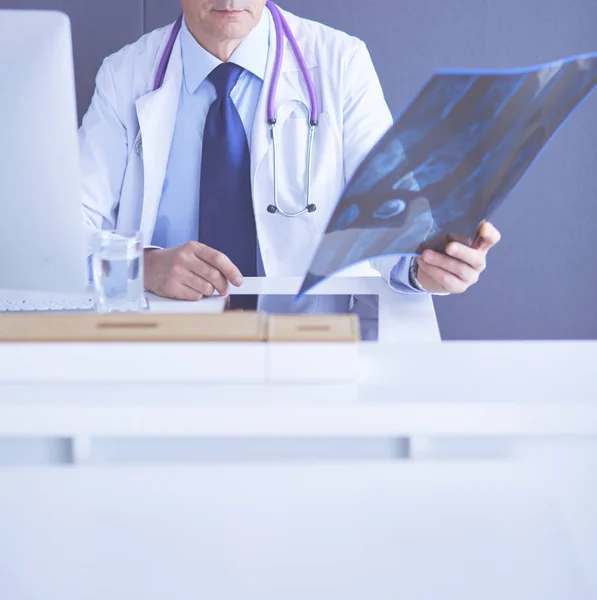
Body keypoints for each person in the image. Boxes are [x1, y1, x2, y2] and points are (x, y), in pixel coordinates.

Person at [78, 0, 501, 301]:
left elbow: (389, 217)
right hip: (165, 343)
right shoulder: (125, 76)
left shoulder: (340, 63)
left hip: (307, 346)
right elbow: (65, 230)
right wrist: (143, 267)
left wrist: (425, 264)